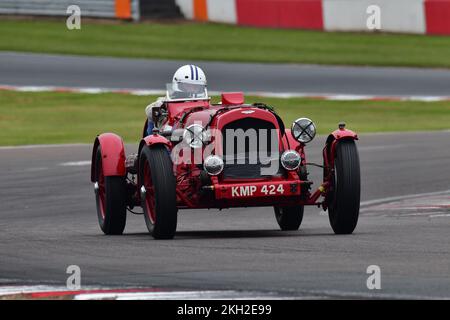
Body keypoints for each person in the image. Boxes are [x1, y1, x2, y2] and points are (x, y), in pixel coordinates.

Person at [145, 65, 208, 136]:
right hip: (172, 136)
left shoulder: (204, 102)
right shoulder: (168, 100)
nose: (192, 89)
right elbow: (149, 111)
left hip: (199, 135)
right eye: (188, 85)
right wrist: (161, 106)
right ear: (178, 85)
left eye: (196, 87)